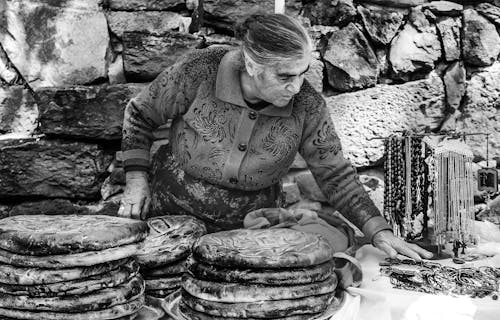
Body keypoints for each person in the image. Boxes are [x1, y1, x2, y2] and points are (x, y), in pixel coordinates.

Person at [118, 13, 433, 261]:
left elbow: (335, 175)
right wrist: (135, 181)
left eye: (303, 72)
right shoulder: (200, 69)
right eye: (285, 76)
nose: (296, 86)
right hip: (171, 216)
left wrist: (378, 231)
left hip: (251, 233)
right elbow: (140, 114)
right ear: (252, 65)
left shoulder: (307, 105)